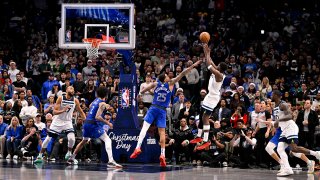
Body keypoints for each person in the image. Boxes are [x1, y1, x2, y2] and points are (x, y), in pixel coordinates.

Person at [130, 60, 202, 167]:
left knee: (144, 128)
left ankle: (137, 148)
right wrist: (193, 65)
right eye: (167, 76)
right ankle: (162, 155)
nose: (169, 77)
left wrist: (140, 93)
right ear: (165, 79)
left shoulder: (156, 83)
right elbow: (183, 73)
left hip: (153, 108)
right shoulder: (171, 84)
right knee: (162, 133)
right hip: (162, 110)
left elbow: (145, 88)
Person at [263, 90, 320, 176]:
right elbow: (278, 122)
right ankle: (288, 169)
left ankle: (316, 154)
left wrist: (278, 120)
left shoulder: (283, 104)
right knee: (280, 149)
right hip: (284, 129)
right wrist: (273, 124)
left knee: (294, 149)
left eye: (272, 95)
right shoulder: (275, 106)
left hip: (290, 128)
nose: (271, 96)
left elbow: (290, 116)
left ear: (276, 96)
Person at [67, 86, 122, 168]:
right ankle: (111, 161)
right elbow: (97, 117)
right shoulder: (102, 103)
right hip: (93, 124)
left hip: (86, 123)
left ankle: (72, 158)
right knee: (107, 140)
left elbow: (90, 106)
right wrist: (108, 123)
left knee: (84, 141)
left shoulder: (95, 101)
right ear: (106, 95)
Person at [190, 44, 228, 151]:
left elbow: (208, 64)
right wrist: (207, 52)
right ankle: (199, 136)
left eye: (218, 65)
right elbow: (210, 61)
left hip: (213, 98)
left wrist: (207, 54)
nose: (217, 65)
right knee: (202, 116)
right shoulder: (218, 70)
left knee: (206, 118)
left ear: (220, 68)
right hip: (209, 95)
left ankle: (206, 141)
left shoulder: (219, 75)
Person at [34, 86, 86, 163]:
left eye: (73, 89)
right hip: (58, 121)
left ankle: (69, 153)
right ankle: (40, 156)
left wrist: (86, 120)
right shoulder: (61, 98)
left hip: (68, 121)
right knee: (48, 139)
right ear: (66, 90)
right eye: (70, 88)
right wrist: (63, 110)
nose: (72, 90)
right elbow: (54, 112)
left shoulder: (75, 100)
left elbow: (81, 112)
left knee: (72, 138)